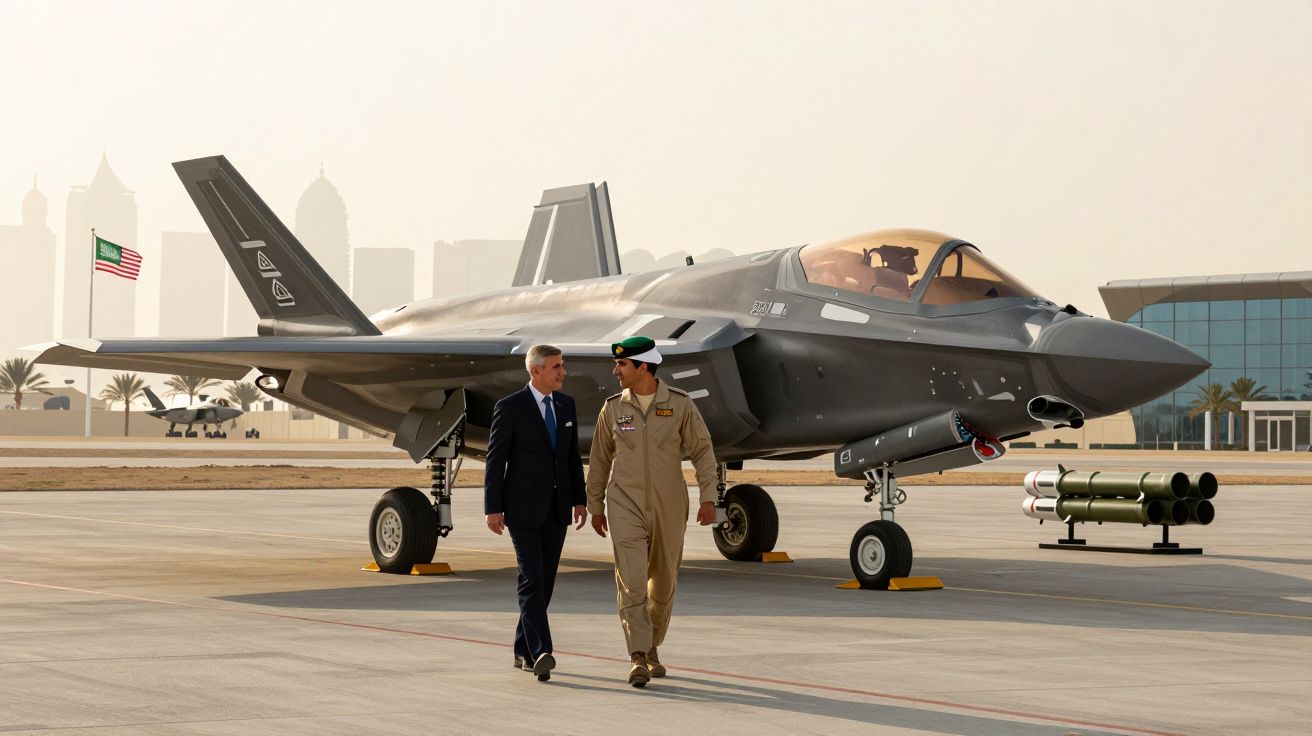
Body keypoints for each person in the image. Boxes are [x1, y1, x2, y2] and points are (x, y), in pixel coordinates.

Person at [586, 335, 718, 687]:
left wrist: (709, 497)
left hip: (670, 503)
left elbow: (703, 451)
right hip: (624, 502)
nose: (616, 371)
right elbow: (599, 459)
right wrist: (595, 504)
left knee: (663, 584)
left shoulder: (680, 404)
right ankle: (638, 656)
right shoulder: (613, 408)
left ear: (643, 366)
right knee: (631, 582)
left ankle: (653, 644)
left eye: (622, 364)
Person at [484, 344, 587, 682]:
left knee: (547, 582)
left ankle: (521, 648)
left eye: (562, 366)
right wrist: (493, 507)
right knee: (531, 579)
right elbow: (496, 460)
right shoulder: (510, 408)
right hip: (523, 509)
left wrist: (580, 500)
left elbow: (572, 459)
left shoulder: (566, 405)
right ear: (536, 371)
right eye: (556, 367)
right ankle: (541, 650)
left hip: (558, 510)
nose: (563, 372)